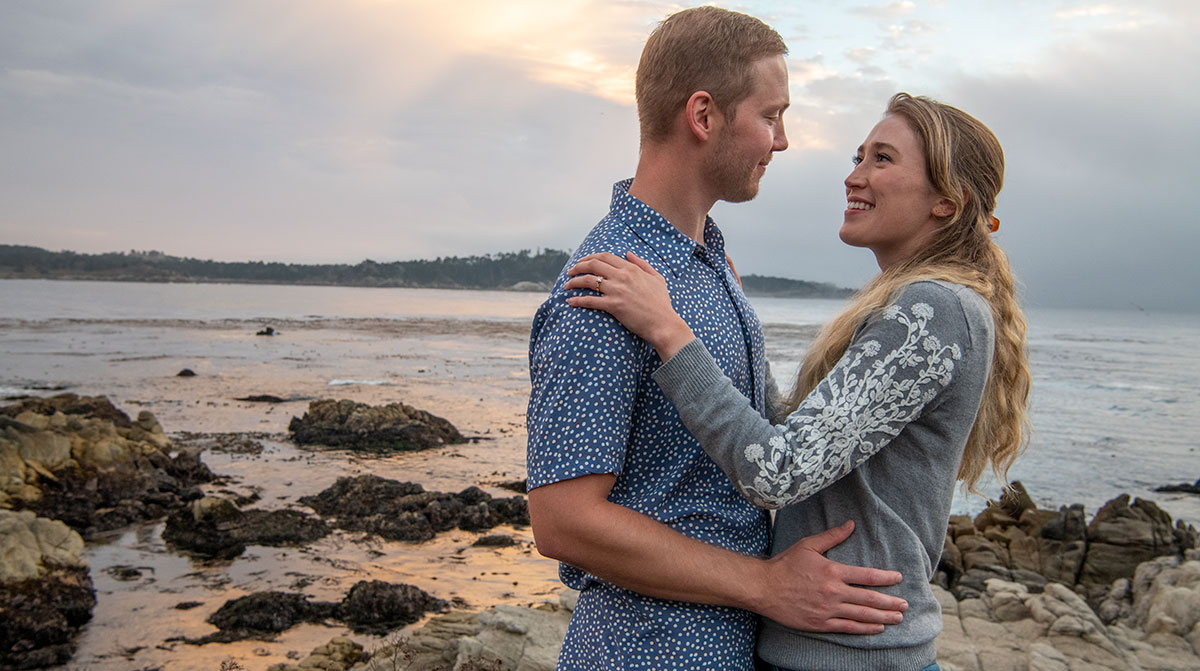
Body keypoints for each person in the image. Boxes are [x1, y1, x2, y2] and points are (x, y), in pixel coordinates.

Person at [564, 92, 1032, 671]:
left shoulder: (933, 309)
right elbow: (802, 443)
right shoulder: (921, 306)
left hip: (854, 655)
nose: (853, 176)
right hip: (826, 650)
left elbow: (776, 472)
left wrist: (669, 331)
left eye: (882, 159)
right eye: (858, 156)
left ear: (946, 200)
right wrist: (735, 318)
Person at [526, 7, 909, 671]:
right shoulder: (603, 286)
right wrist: (764, 584)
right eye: (772, 115)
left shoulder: (708, 267)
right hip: (646, 652)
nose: (782, 141)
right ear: (703, 116)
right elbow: (562, 520)